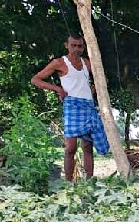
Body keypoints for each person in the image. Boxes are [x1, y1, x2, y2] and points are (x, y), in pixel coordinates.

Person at [31, 34, 111, 181]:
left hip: (88, 105)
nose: (76, 49)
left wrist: (93, 89)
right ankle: (68, 184)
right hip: (71, 105)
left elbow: (103, 78)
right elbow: (36, 79)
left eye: (80, 46)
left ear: (83, 47)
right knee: (70, 148)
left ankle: (89, 182)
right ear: (66, 45)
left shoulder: (86, 62)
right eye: (73, 45)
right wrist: (58, 89)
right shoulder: (60, 62)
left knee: (87, 146)